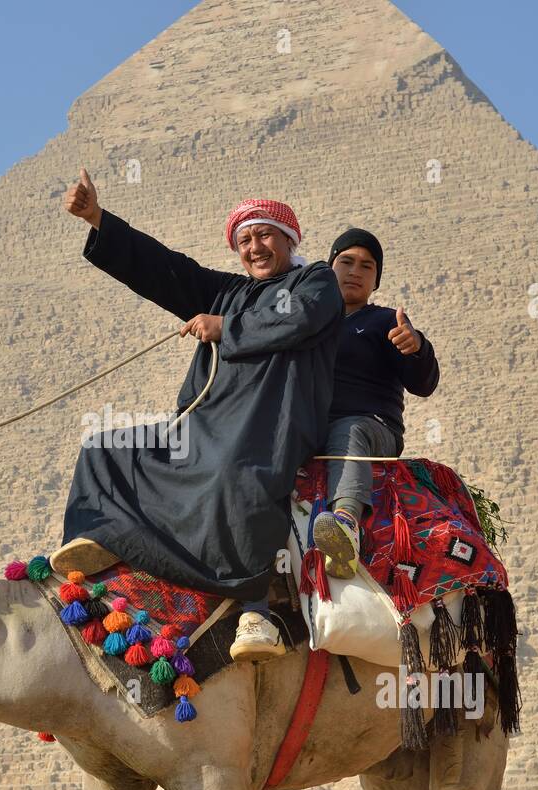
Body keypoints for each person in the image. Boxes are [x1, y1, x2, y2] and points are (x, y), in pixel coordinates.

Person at [54, 169, 343, 661]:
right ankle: (99, 543)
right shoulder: (226, 291)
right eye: (244, 239)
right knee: (103, 449)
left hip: (269, 426)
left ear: (289, 240)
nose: (254, 246)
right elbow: (166, 269)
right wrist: (98, 219)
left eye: (264, 235)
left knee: (234, 474)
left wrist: (224, 327)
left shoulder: (315, 280)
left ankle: (254, 606)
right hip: (204, 422)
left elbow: (295, 317)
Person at [312, 227, 440, 577]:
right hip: (312, 426)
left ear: (376, 280)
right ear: (328, 269)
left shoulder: (386, 322)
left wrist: (416, 348)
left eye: (367, 266)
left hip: (371, 427)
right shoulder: (306, 322)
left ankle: (346, 526)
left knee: (349, 429)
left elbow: (423, 383)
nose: (355, 271)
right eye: (346, 262)